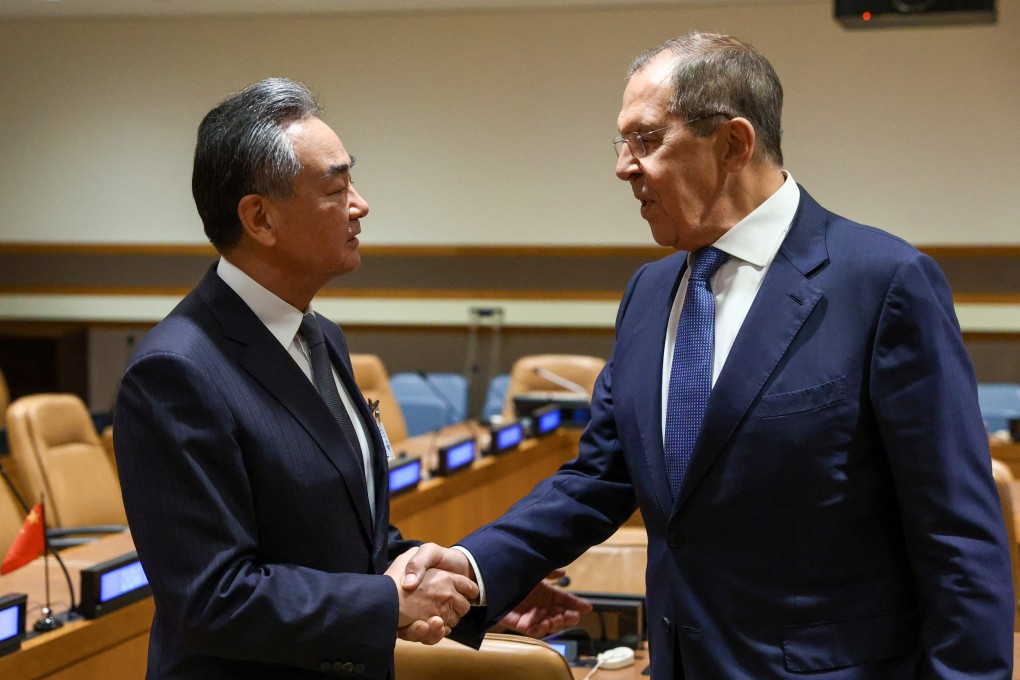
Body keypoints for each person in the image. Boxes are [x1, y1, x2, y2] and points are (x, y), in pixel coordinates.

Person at [406, 32, 1015, 678]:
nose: (622, 166)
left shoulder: (882, 283)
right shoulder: (648, 293)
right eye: (621, 143)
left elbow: (957, 541)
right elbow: (598, 479)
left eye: (646, 140)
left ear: (734, 144)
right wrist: (471, 568)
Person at [114, 77, 482, 679]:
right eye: (336, 188)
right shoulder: (175, 371)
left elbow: (350, 537)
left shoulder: (320, 334)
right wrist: (390, 602)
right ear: (260, 218)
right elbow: (213, 598)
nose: (360, 205)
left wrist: (468, 590)